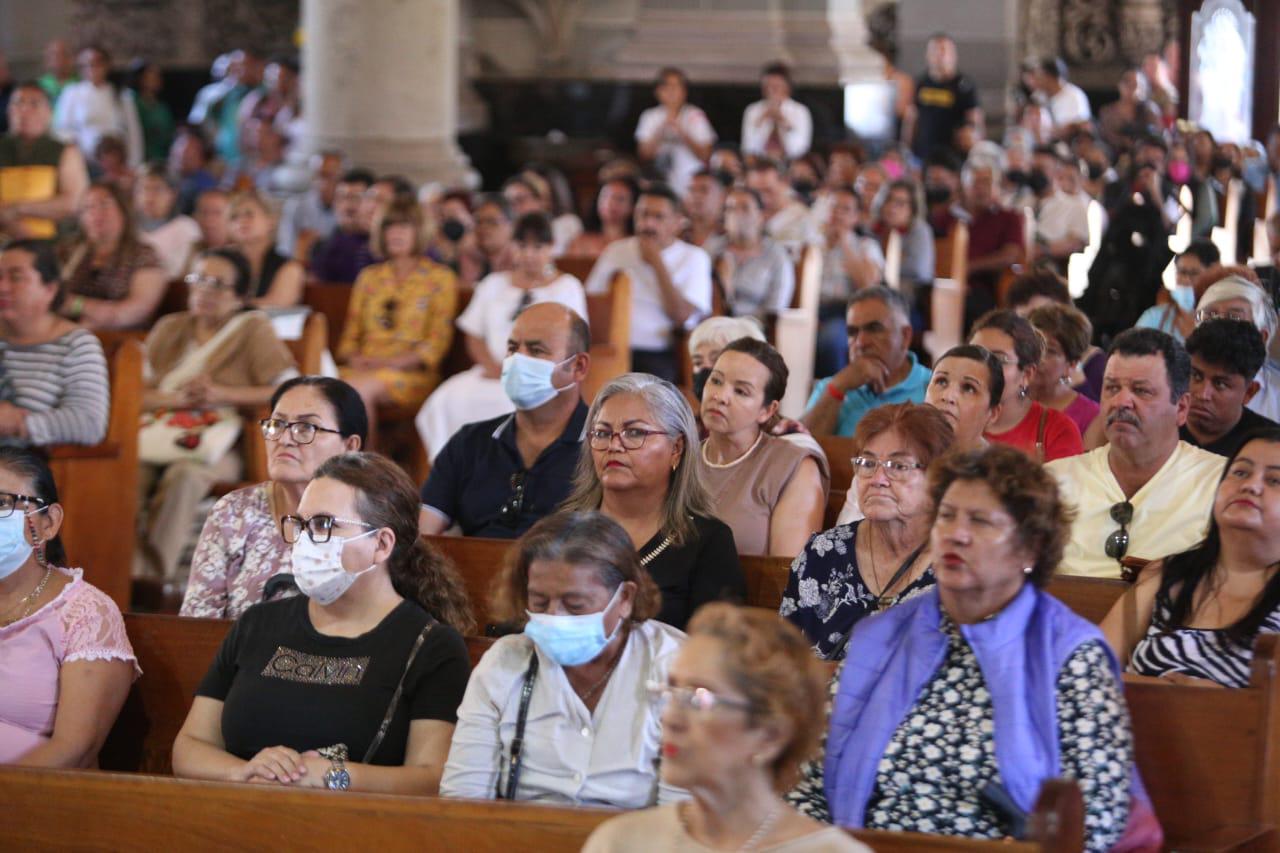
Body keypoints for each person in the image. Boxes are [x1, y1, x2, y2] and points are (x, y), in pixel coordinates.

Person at [789, 446, 1161, 852]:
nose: (956, 534)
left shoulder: (1069, 654)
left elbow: (1097, 820)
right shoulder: (882, 637)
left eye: (980, 521)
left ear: (1030, 549)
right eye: (947, 516)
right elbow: (810, 785)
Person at [172, 452, 474, 794]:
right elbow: (190, 745)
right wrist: (244, 772)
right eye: (301, 524)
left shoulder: (431, 645)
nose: (304, 539)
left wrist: (333, 776)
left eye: (324, 525)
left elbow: (430, 777)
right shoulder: (257, 623)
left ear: (382, 543)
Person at [441, 511, 684, 805]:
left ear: (625, 599)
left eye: (575, 604)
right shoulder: (504, 664)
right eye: (539, 602)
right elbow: (462, 803)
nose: (554, 617)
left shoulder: (674, 667)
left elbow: (683, 819)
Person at [582, 605, 869, 853]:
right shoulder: (620, 842)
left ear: (770, 735)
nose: (669, 719)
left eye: (698, 699)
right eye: (670, 692)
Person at [136, 248, 297, 582]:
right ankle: (116, 566)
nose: (205, 291)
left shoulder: (252, 329)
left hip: (220, 443)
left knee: (185, 476)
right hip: (158, 432)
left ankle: (149, 578)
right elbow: (136, 392)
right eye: (198, 280)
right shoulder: (170, 328)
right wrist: (179, 398)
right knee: (128, 473)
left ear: (240, 296)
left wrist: (222, 395)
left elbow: (290, 389)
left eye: (218, 284)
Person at [561, 373, 745, 630]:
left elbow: (716, 651)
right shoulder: (562, 531)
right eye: (602, 433)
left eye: (634, 432)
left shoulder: (707, 541)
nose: (614, 445)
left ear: (677, 448)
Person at [1102, 430, 1280, 688]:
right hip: (1136, 722)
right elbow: (1090, 667)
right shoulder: (1167, 572)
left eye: (1275, 480)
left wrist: (1221, 704)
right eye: (1240, 472)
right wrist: (1169, 691)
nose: (1250, 485)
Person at [180, 376, 367, 619]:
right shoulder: (234, 511)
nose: (284, 439)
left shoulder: (368, 519)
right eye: (276, 425)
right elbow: (196, 625)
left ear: (350, 446)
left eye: (306, 428)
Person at [1048, 328, 1226, 579]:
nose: (1121, 401)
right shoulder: (1053, 480)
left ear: (1182, 408)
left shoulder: (1221, 484)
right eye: (1111, 388)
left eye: (1141, 391)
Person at [0, 447, 138, 767]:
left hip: (36, 803)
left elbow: (75, 752)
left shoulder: (87, 613)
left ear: (49, 522)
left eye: (3, 503)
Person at [782, 403, 951, 659]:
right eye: (868, 463)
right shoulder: (822, 554)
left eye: (898, 466)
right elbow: (783, 659)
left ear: (937, 479)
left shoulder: (956, 568)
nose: (877, 479)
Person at [415, 212, 586, 460]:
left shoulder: (567, 286)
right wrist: (493, 366)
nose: (529, 254)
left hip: (542, 378)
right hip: (493, 371)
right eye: (522, 245)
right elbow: (474, 334)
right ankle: (453, 473)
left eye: (537, 246)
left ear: (551, 248)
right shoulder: (493, 283)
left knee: (512, 406)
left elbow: (573, 341)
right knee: (446, 399)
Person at [421, 303, 591, 538]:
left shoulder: (603, 448)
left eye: (536, 350)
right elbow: (422, 537)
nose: (517, 360)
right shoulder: (469, 443)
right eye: (512, 348)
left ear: (578, 367)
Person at [698, 338, 826, 556]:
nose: (720, 397)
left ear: (766, 410)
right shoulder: (681, 456)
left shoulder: (793, 467)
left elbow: (786, 573)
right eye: (716, 381)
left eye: (741, 391)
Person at [584, 184, 712, 382]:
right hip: (611, 348)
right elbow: (591, 302)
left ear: (677, 222)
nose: (648, 224)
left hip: (659, 352)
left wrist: (656, 263)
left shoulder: (694, 257)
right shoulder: (616, 251)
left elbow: (681, 315)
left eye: (658, 217)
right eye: (643, 215)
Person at [0, 239, 109, 446]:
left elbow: (89, 423)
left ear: (49, 289)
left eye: (16, 277)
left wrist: (18, 424)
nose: (2, 287)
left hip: (21, 466)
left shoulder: (75, 344)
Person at [802, 287, 931, 438]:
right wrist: (837, 389)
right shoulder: (831, 388)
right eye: (852, 332)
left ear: (905, 336)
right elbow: (801, 450)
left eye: (874, 329)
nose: (860, 343)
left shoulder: (933, 387)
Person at [970, 309, 1082, 461]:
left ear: (1027, 374)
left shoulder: (1057, 430)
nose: (982, 367)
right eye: (974, 356)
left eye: (999, 359)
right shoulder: (953, 421)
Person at [59, 181, 167, 330]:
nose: (95, 213)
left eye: (104, 204)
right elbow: (49, 301)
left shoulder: (144, 256)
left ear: (123, 209)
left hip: (121, 340)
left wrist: (76, 304)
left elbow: (133, 311)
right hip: (65, 333)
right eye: (88, 207)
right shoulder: (68, 252)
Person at [0, 82, 89, 240]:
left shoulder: (65, 151)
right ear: (8, 110)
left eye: (34, 104)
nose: (24, 110)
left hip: (51, 244)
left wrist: (18, 209)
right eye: (18, 103)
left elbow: (74, 203)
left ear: (49, 112)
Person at [814, 186, 886, 376]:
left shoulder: (866, 246)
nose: (837, 213)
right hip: (812, 309)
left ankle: (834, 398)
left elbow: (869, 286)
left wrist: (845, 244)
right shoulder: (812, 245)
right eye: (833, 207)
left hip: (846, 312)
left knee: (832, 340)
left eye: (845, 209)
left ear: (856, 217)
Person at [1181, 319, 1277, 457]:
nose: (1203, 394)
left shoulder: (1272, 449)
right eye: (1196, 376)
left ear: (1249, 392)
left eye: (1220, 384)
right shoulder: (1155, 425)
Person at [1196, 276, 1280, 424]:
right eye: (1209, 316)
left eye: (1234, 318)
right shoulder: (1175, 382)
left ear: (1261, 337)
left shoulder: (1276, 392)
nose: (1218, 325)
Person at [708, 186, 794, 319]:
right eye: (731, 209)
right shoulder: (713, 249)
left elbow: (776, 308)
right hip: (714, 323)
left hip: (757, 329)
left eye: (745, 208)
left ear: (761, 216)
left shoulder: (776, 256)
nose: (737, 214)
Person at [52, 46, 142, 168]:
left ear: (107, 65)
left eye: (97, 63)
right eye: (85, 65)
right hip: (84, 161)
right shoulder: (72, 93)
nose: (91, 68)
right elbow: (61, 129)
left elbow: (133, 132)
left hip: (117, 162)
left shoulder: (121, 95)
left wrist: (134, 163)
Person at [635, 67, 715, 196]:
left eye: (677, 86)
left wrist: (682, 132)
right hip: (659, 181)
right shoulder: (649, 116)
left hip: (691, 183)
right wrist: (661, 130)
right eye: (667, 86)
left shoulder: (696, 115)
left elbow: (706, 155)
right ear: (658, 91)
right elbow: (643, 155)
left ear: (684, 91)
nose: (672, 92)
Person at [962, 160, 1024, 325]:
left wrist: (969, 267)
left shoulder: (1009, 218)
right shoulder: (949, 217)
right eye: (975, 182)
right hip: (948, 284)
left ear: (997, 187)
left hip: (986, 288)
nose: (981, 189)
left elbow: (1010, 255)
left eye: (987, 183)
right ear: (965, 186)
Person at [902, 33, 982, 161]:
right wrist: (906, 149)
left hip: (953, 157)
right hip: (923, 154)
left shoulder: (964, 85)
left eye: (944, 51)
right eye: (935, 51)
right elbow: (911, 119)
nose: (939, 56)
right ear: (927, 55)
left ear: (953, 55)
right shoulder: (921, 83)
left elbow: (975, 121)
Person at [1027, 303, 1100, 438]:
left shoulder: (1091, 416)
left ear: (1071, 365)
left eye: (1050, 351)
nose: (1037, 358)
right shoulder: (1006, 399)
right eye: (1033, 346)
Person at [227, 189, 304, 306]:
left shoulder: (289, 268)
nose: (241, 221)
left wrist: (227, 306)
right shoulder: (222, 261)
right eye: (234, 217)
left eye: (249, 214)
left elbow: (275, 306)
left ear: (271, 221)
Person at [1134, 239, 1220, 344]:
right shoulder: (1156, 317)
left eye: (1194, 273)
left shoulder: (1220, 319)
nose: (1186, 280)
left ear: (1212, 276)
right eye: (1182, 272)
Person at [308, 167, 374, 284]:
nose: (347, 206)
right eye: (341, 198)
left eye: (356, 198)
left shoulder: (382, 247)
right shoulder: (322, 246)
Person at [133, 164, 201, 279]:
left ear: (173, 194)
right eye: (144, 188)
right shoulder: (126, 226)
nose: (149, 196)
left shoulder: (186, 228)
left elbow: (181, 274)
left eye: (157, 189)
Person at [875, 179, 934, 302]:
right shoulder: (875, 229)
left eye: (900, 203)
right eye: (888, 200)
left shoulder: (919, 231)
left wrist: (881, 266)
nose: (892, 207)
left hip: (912, 297)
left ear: (912, 208)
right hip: (880, 291)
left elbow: (918, 269)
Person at [277, 150, 342, 259]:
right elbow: (285, 249)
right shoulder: (297, 206)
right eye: (320, 175)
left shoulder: (348, 209)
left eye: (330, 176)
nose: (324, 182)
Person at [741, 63, 811, 161]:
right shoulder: (753, 110)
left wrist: (782, 120)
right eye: (767, 86)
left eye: (776, 86)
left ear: (787, 86)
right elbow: (748, 147)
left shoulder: (800, 111)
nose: (771, 91)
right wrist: (762, 119)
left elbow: (801, 149)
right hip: (760, 162)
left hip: (791, 162)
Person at [745, 159, 814, 258]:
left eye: (768, 191)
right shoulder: (744, 217)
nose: (762, 198)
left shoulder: (804, 219)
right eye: (755, 192)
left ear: (785, 183)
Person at [565, 176, 635, 257]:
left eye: (620, 199)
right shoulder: (580, 241)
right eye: (606, 196)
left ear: (632, 207)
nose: (611, 203)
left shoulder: (636, 243)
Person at [126, 58, 174, 164]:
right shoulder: (129, 102)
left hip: (161, 159)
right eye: (151, 75)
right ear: (140, 77)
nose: (156, 79)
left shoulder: (162, 108)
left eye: (158, 76)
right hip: (138, 159)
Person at [1034, 57, 1092, 138]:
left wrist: (1046, 131)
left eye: (1039, 76)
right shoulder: (1038, 96)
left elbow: (1075, 127)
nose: (1036, 80)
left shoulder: (1074, 95)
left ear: (1048, 76)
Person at [168, 123, 218, 216]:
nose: (181, 156)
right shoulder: (167, 177)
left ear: (201, 157)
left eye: (188, 153)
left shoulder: (204, 184)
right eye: (177, 152)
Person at [682, 168, 726, 249]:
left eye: (704, 190)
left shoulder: (730, 237)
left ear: (722, 197)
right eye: (691, 190)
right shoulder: (677, 234)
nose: (696, 196)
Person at [37, 39, 77, 105]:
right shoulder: (39, 85)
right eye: (53, 55)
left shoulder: (81, 83)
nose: (58, 59)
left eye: (63, 54)